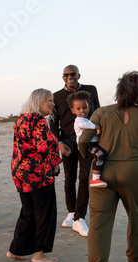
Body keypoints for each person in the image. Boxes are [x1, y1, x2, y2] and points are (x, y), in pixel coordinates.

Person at [79, 71, 138, 262]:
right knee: (136, 217)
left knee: (99, 223)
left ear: (119, 89)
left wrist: (89, 155)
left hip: (102, 173)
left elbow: (84, 141)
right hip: (134, 172)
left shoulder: (101, 113)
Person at [7, 88, 62, 262]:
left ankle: (15, 250)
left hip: (20, 171)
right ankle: (39, 254)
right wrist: (54, 163)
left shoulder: (21, 119)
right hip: (37, 173)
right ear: (38, 102)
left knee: (28, 212)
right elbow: (43, 147)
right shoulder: (38, 120)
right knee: (44, 212)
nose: (53, 104)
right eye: (50, 101)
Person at [49, 65, 100, 237]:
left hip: (87, 141)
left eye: (73, 74)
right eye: (66, 75)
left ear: (79, 75)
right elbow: (53, 123)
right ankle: (71, 212)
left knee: (84, 178)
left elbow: (98, 112)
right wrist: (58, 144)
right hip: (67, 141)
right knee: (69, 178)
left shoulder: (91, 90)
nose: (70, 77)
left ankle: (80, 218)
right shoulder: (56, 97)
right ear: (63, 77)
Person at [68, 91, 108, 188]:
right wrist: (96, 126)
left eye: (84, 107)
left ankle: (98, 174)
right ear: (73, 110)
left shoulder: (87, 120)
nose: (82, 110)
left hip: (93, 143)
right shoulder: (79, 121)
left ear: (89, 107)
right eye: (78, 108)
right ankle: (95, 178)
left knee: (103, 153)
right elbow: (83, 125)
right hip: (87, 145)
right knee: (99, 154)